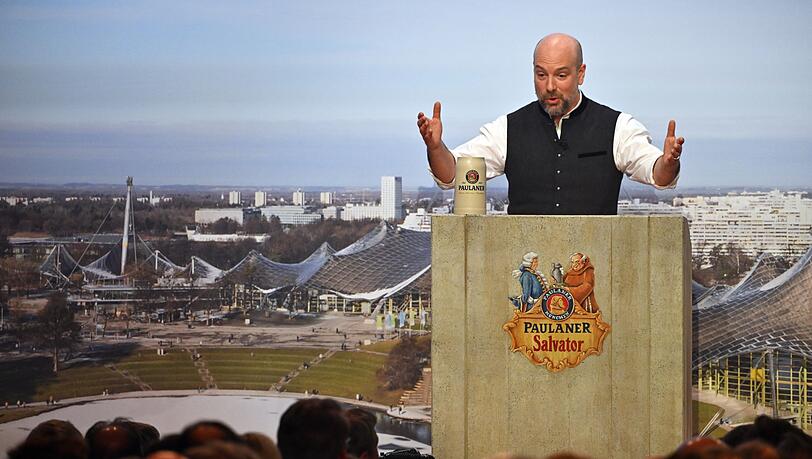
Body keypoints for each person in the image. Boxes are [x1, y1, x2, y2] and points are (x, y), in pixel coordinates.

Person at [417, 33, 684, 215]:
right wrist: (436, 147)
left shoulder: (617, 126)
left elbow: (656, 174)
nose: (550, 86)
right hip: (525, 275)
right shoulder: (508, 129)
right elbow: (454, 174)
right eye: (541, 75)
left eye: (561, 75)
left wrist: (669, 162)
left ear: (581, 74)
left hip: (592, 272)